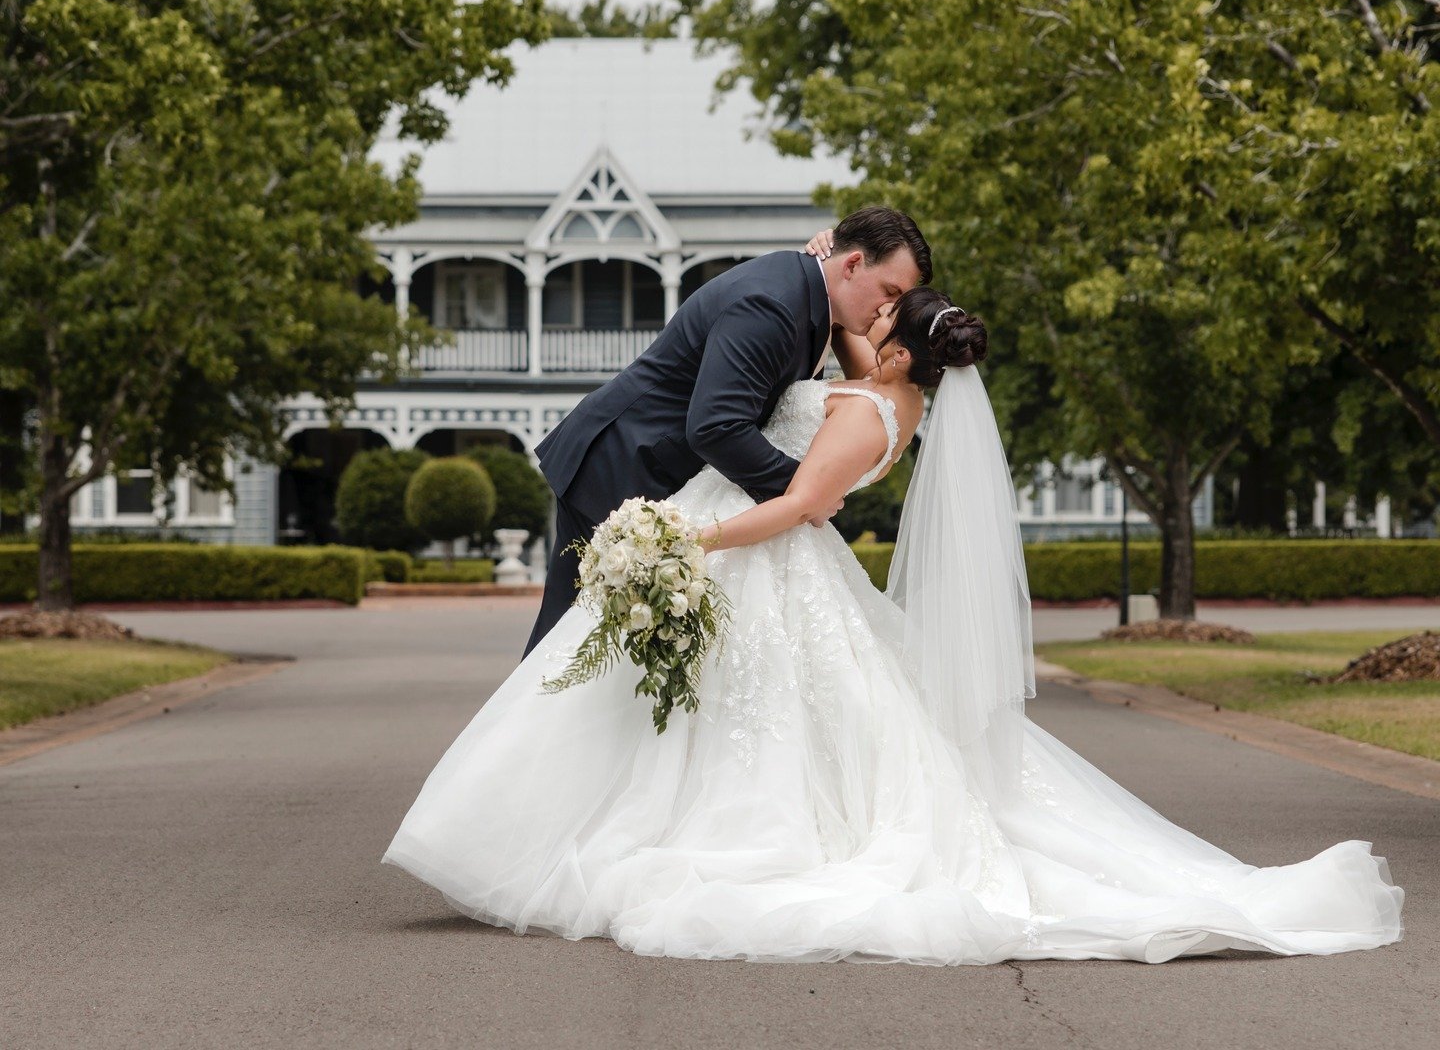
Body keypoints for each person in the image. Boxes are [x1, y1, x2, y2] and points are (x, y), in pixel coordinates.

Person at [382, 255, 1405, 964]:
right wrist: (848, 320)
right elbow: (856, 384)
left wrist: (677, 538)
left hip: (766, 560)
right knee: (704, 715)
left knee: (743, 730)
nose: (866, 323)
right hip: (786, 570)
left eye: (885, 319)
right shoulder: (895, 397)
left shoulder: (867, 407)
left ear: (905, 350)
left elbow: (799, 504)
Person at [521, 205, 930, 652]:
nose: (889, 308)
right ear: (852, 264)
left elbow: (879, 382)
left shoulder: (818, 298)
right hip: (622, 466)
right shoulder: (772, 304)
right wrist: (807, 492)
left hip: (663, 473)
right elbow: (717, 426)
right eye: (889, 291)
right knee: (563, 651)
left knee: (599, 656)